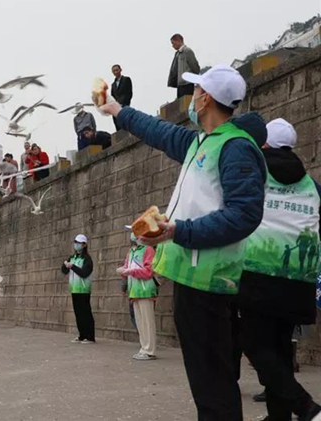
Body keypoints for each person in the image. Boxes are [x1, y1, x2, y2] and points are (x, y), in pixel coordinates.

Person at [101, 64, 267, 421]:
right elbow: (158, 131)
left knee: (214, 384)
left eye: (196, 91)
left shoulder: (236, 147)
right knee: (206, 381)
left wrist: (179, 231)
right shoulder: (201, 142)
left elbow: (245, 215)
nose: (192, 98)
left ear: (206, 98)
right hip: (192, 276)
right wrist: (117, 111)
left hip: (209, 278)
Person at [238, 118, 321, 421]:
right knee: (280, 348)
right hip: (299, 279)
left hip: (259, 274)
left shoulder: (256, 173)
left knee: (254, 343)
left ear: (264, 144)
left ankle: (305, 406)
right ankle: (279, 416)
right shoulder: (311, 184)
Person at [118, 233, 158, 360]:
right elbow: (127, 267)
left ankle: (149, 350)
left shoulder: (148, 249)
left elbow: (149, 271)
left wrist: (130, 271)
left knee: (147, 322)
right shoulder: (131, 251)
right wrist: (123, 271)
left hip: (145, 290)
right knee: (140, 322)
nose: (133, 235)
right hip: (134, 290)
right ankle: (144, 348)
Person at [61, 234, 95, 343]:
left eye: (79, 243)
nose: (76, 244)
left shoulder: (87, 259)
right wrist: (65, 265)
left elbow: (84, 273)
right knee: (78, 313)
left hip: (84, 290)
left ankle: (90, 336)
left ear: (84, 245)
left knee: (86, 313)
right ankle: (82, 335)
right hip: (74, 289)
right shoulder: (73, 257)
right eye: (75, 242)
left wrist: (73, 266)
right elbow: (65, 271)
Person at [167, 33, 200, 99]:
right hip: (180, 85)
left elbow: (195, 67)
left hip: (187, 84)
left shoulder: (187, 51)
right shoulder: (178, 54)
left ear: (178, 41)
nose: (173, 46)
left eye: (173, 43)